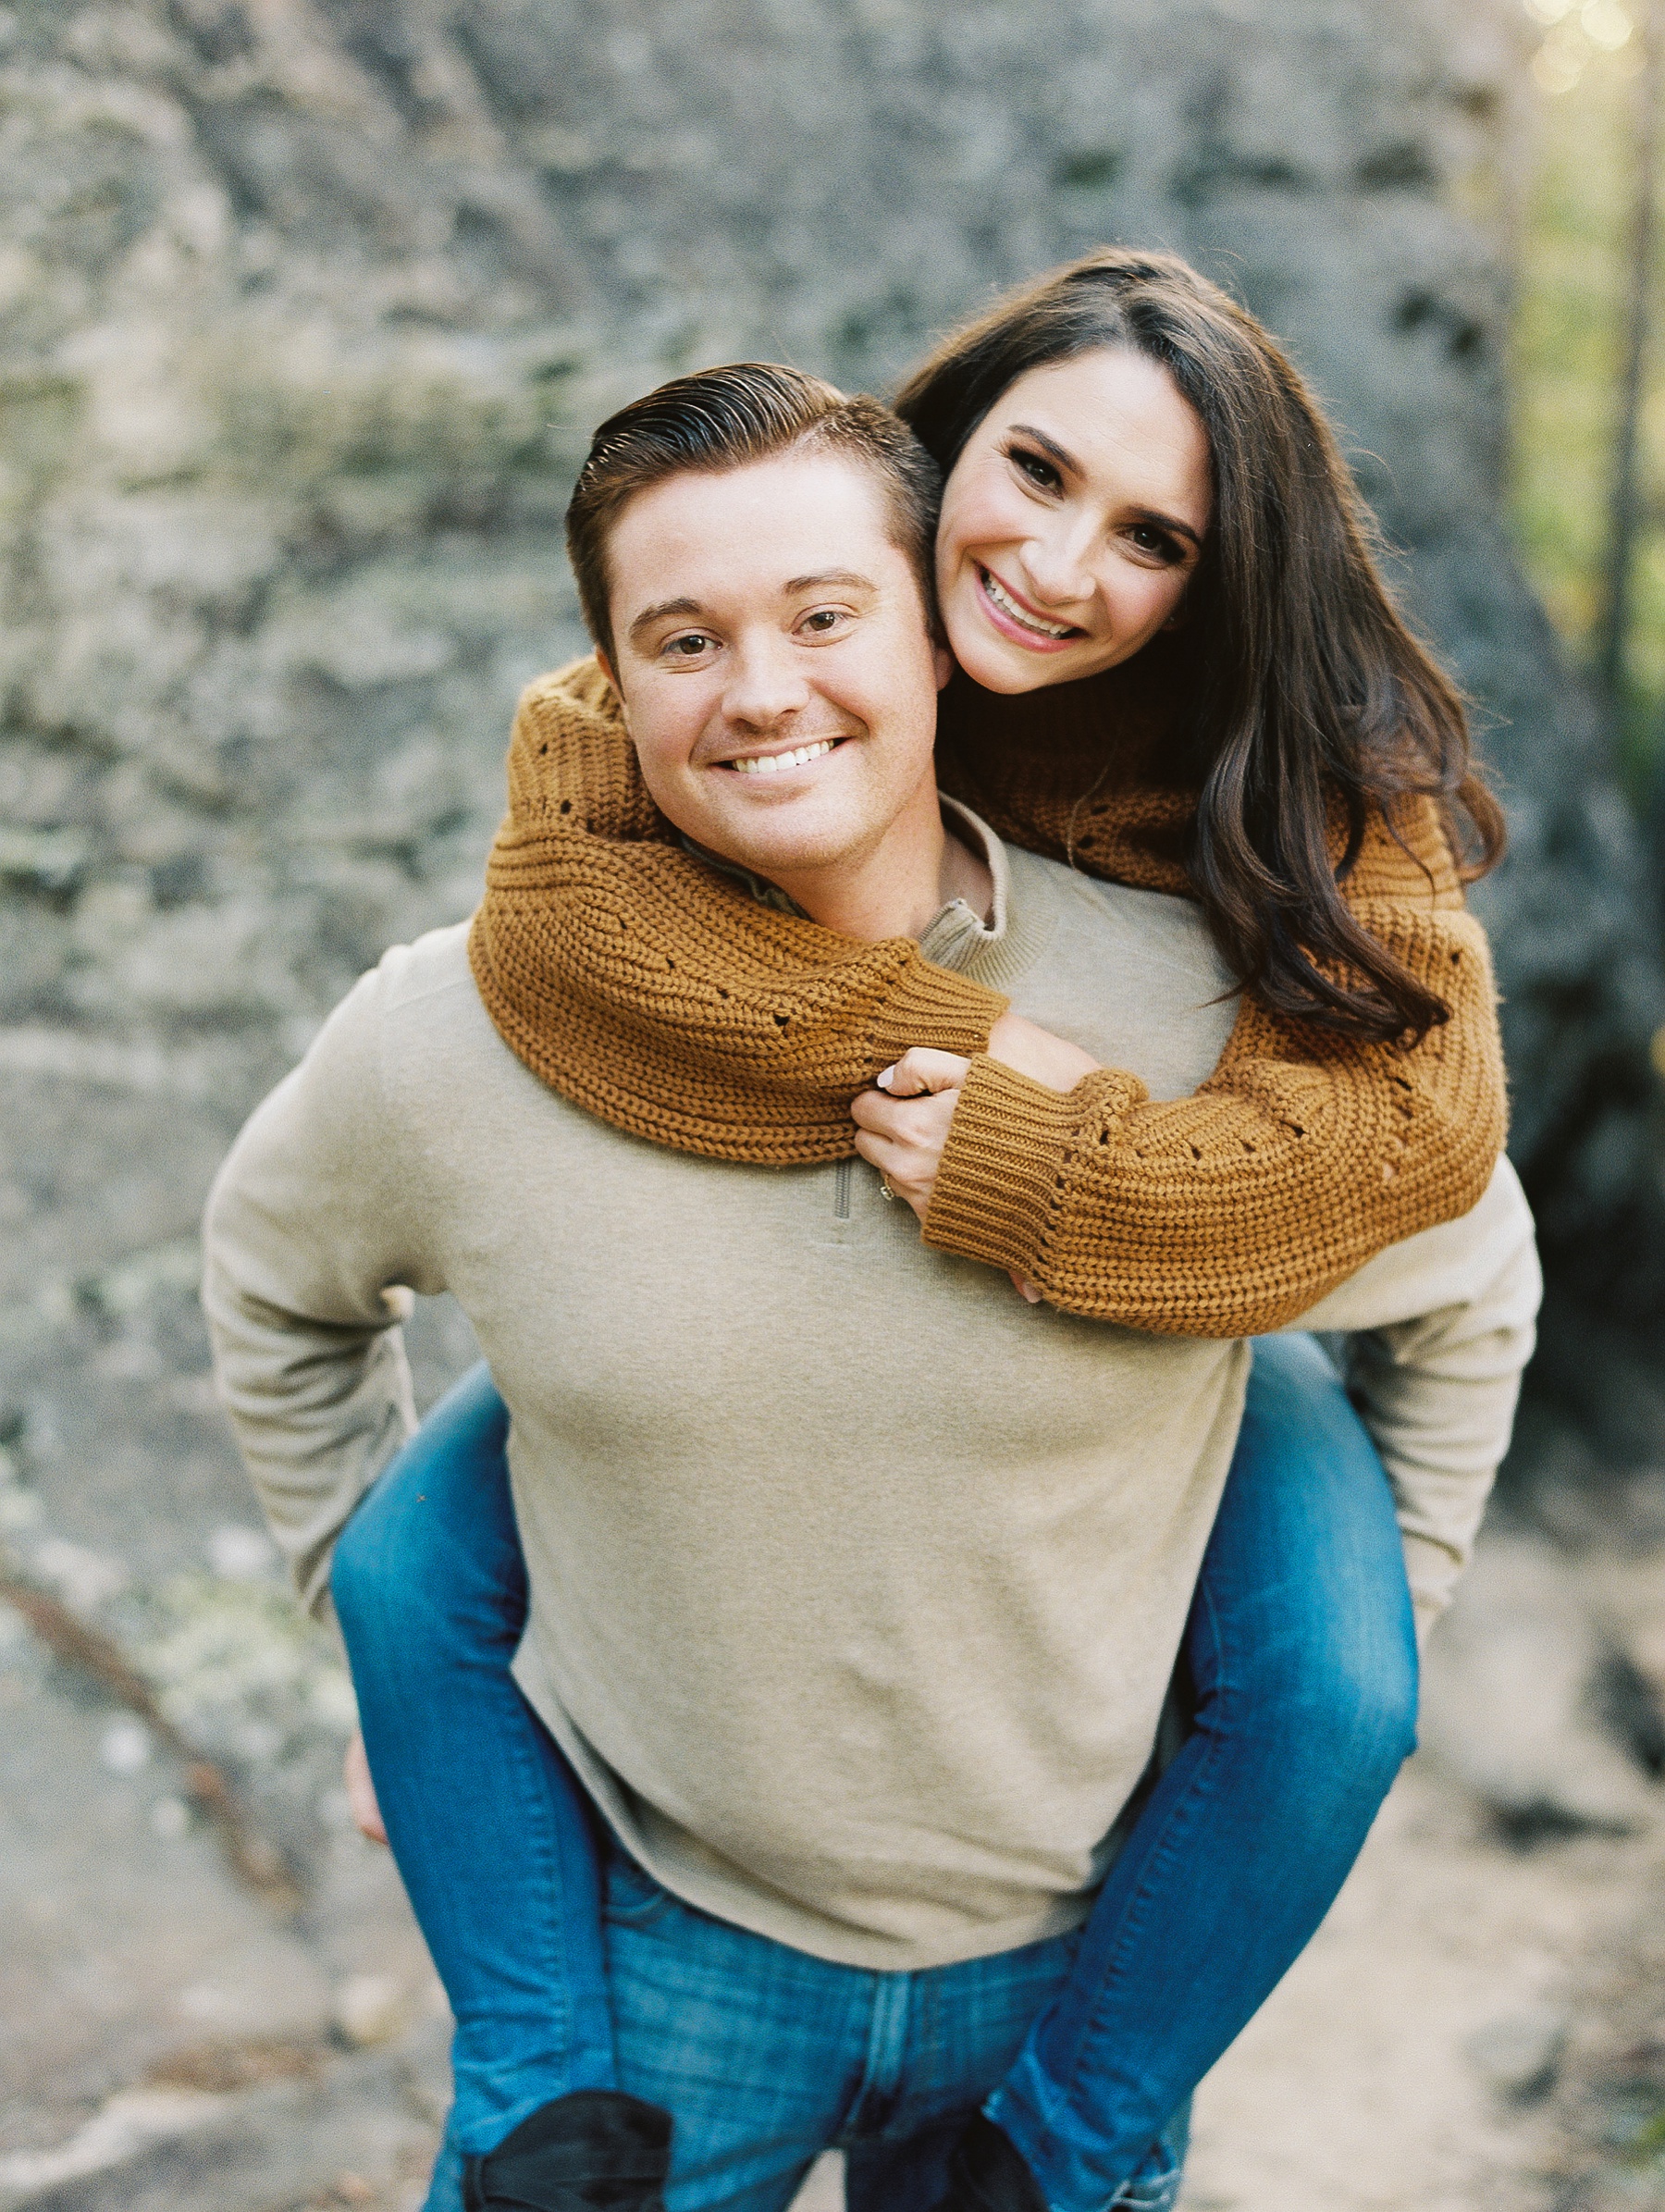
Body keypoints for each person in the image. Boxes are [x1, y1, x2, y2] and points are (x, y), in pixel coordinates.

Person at [205, 346, 1536, 2212]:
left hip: (1073, 1970)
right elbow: (275, 1286)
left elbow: (1468, 1277)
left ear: (932, 633)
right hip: (659, 1947)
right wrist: (405, 1668)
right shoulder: (466, 1032)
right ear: (609, 674)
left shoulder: (1202, 1019)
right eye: (682, 640)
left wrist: (1358, 1628)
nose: (761, 690)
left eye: (826, 613)